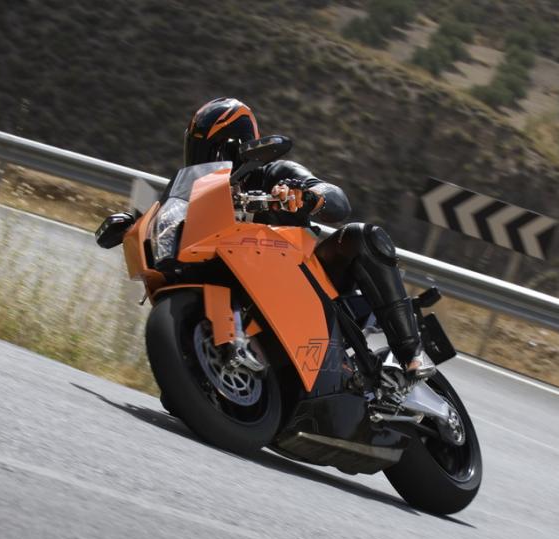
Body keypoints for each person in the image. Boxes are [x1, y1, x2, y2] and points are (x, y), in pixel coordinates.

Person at [184, 97, 435, 380]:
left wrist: (309, 197)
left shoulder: (276, 175)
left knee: (361, 236)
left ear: (241, 148)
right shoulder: (201, 204)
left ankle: (411, 354)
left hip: (303, 282)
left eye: (214, 152)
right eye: (200, 153)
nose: (207, 162)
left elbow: (337, 200)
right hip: (243, 292)